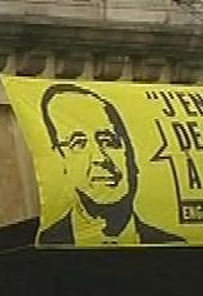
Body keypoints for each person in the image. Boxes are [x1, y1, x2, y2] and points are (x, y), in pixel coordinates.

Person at [37, 83, 183, 246]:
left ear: (130, 153)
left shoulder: (171, 243)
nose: (101, 158)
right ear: (60, 157)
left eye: (108, 141)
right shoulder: (49, 241)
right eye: (78, 143)